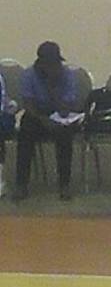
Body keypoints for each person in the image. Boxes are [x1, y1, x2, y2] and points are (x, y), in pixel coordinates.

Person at [14, 41, 84, 201]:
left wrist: (53, 88)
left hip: (58, 114)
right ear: (41, 64)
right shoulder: (28, 75)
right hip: (36, 115)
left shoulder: (67, 75)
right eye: (51, 63)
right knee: (25, 132)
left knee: (65, 136)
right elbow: (28, 104)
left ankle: (64, 185)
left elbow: (68, 106)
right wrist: (44, 120)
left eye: (57, 63)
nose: (56, 67)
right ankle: (21, 184)